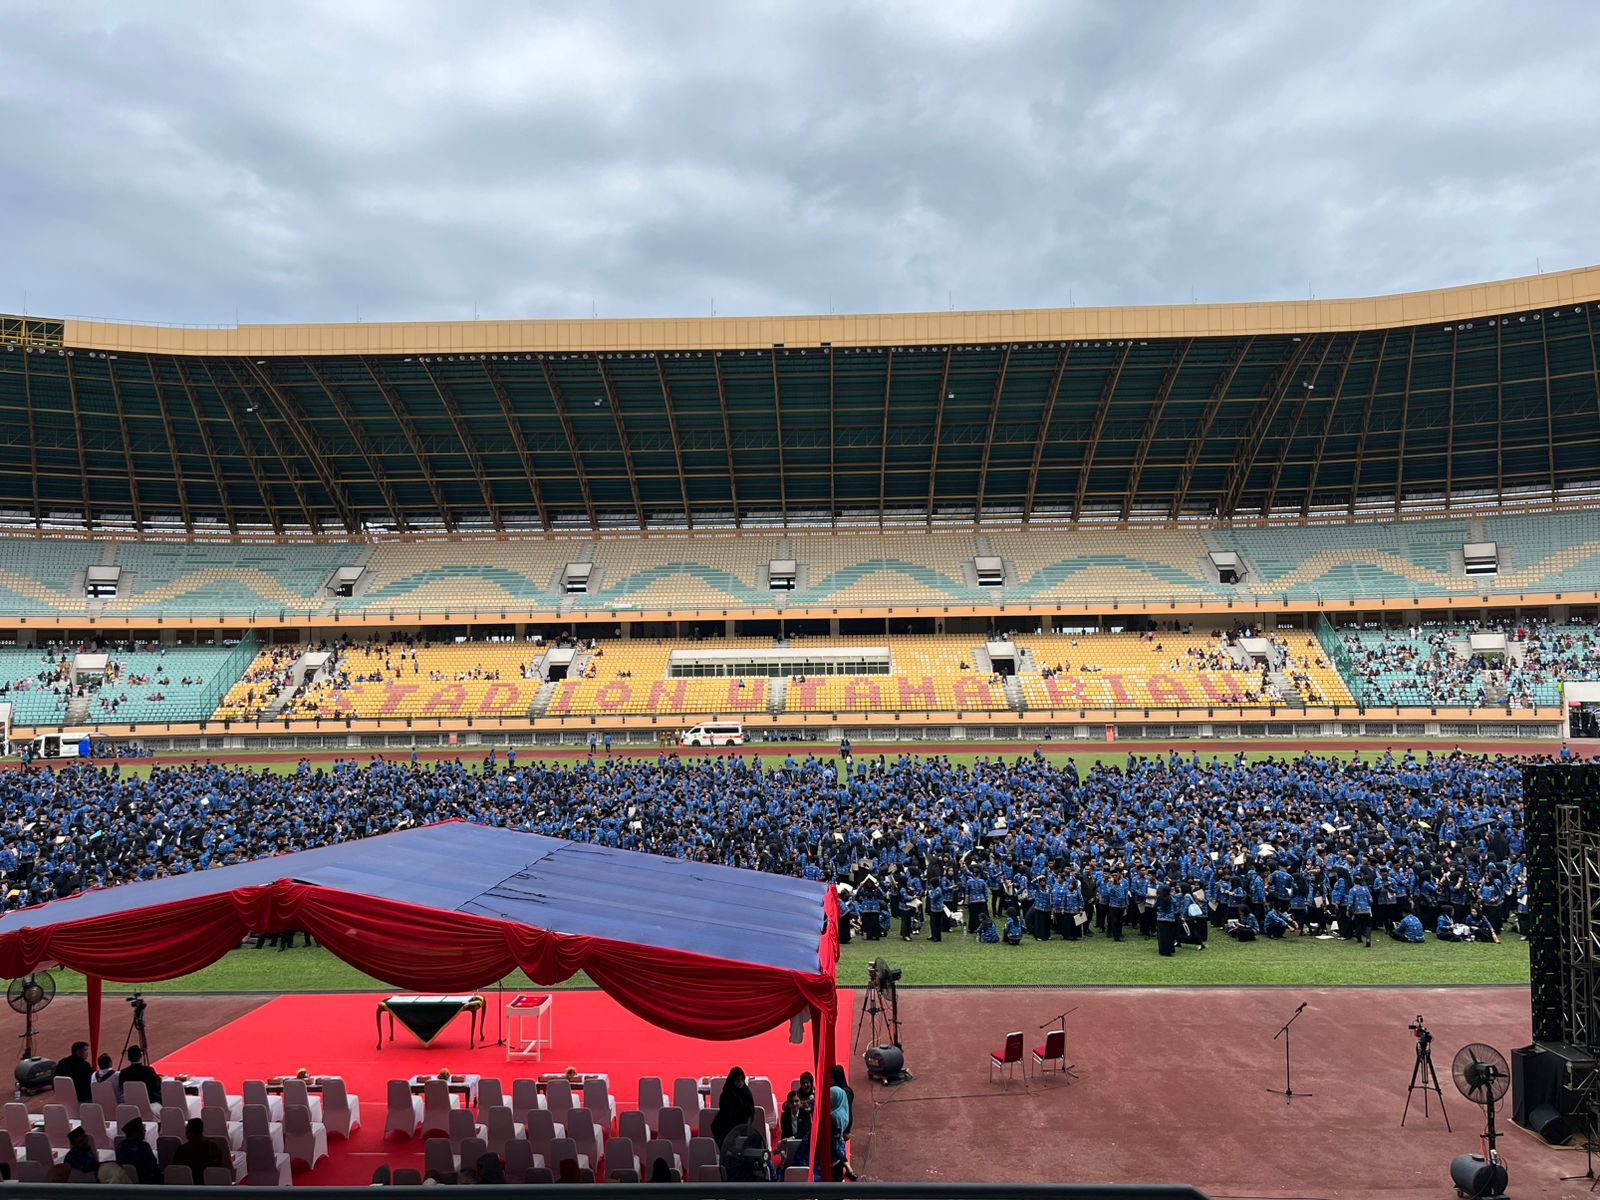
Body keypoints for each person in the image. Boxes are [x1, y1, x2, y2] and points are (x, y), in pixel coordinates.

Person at [711, 1066, 755, 1148]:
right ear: (732, 1080)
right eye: (737, 1080)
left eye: (742, 1080)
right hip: (728, 1123)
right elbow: (724, 1110)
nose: (740, 1082)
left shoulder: (746, 1092)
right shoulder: (727, 1093)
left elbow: (750, 1109)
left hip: (741, 1123)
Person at [114, 1118, 163, 1184]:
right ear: (136, 1132)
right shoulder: (143, 1146)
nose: (145, 1131)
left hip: (125, 1180)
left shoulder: (121, 1146)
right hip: (145, 1181)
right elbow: (153, 1166)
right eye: (142, 1129)